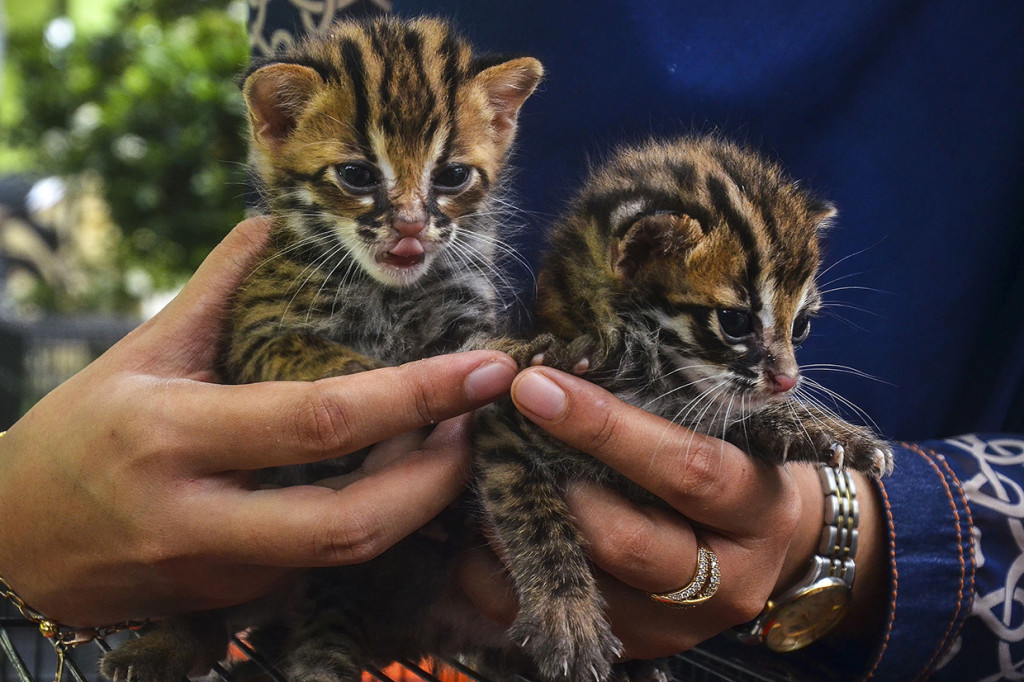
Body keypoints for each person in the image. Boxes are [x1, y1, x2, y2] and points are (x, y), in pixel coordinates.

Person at [1, 3, 1021, 682]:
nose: (407, 223)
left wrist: (874, 535)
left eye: (448, 183)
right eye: (364, 181)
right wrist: (22, 528)